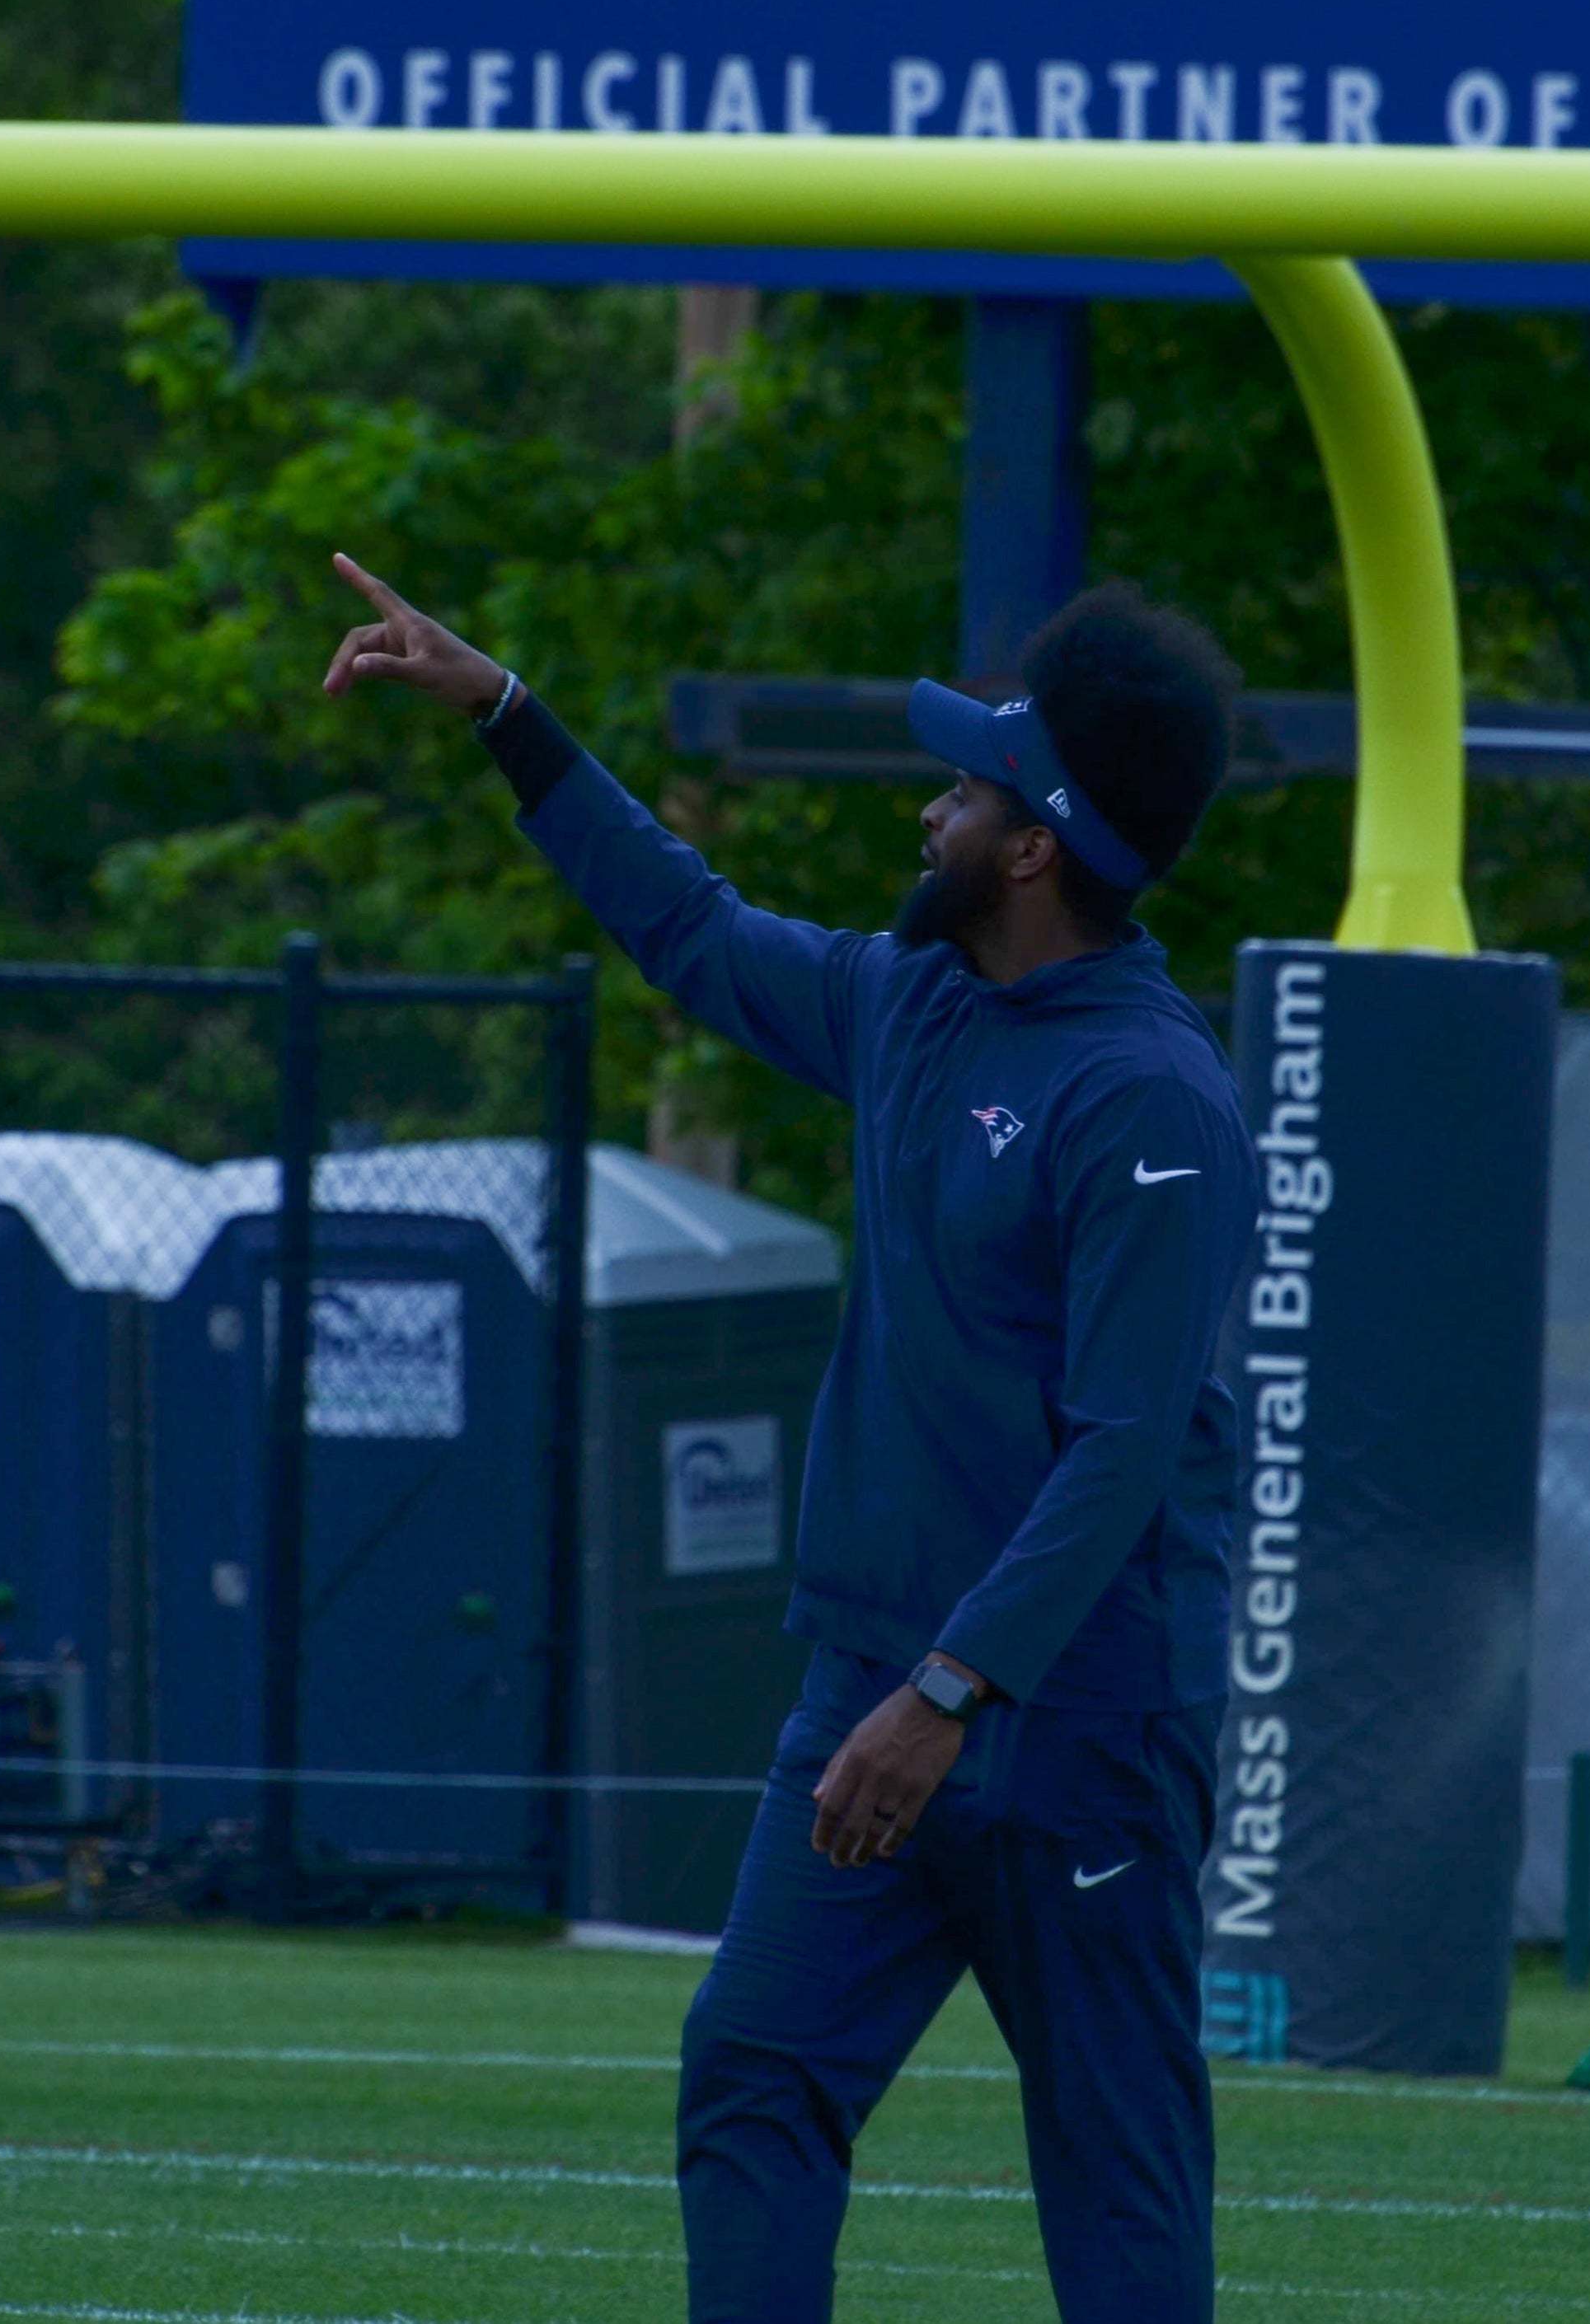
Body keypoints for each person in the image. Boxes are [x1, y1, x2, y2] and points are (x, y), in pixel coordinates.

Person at [321, 552, 1254, 2321]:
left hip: (1076, 1734)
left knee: (1117, 2176)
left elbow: (1122, 1451)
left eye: (964, 786)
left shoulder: (1150, 1098)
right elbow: (685, 924)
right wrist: (505, 717)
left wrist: (948, 1693)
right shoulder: (907, 1006)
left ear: (1037, 845)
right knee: (752, 2073)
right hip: (865, 1697)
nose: (930, 806)